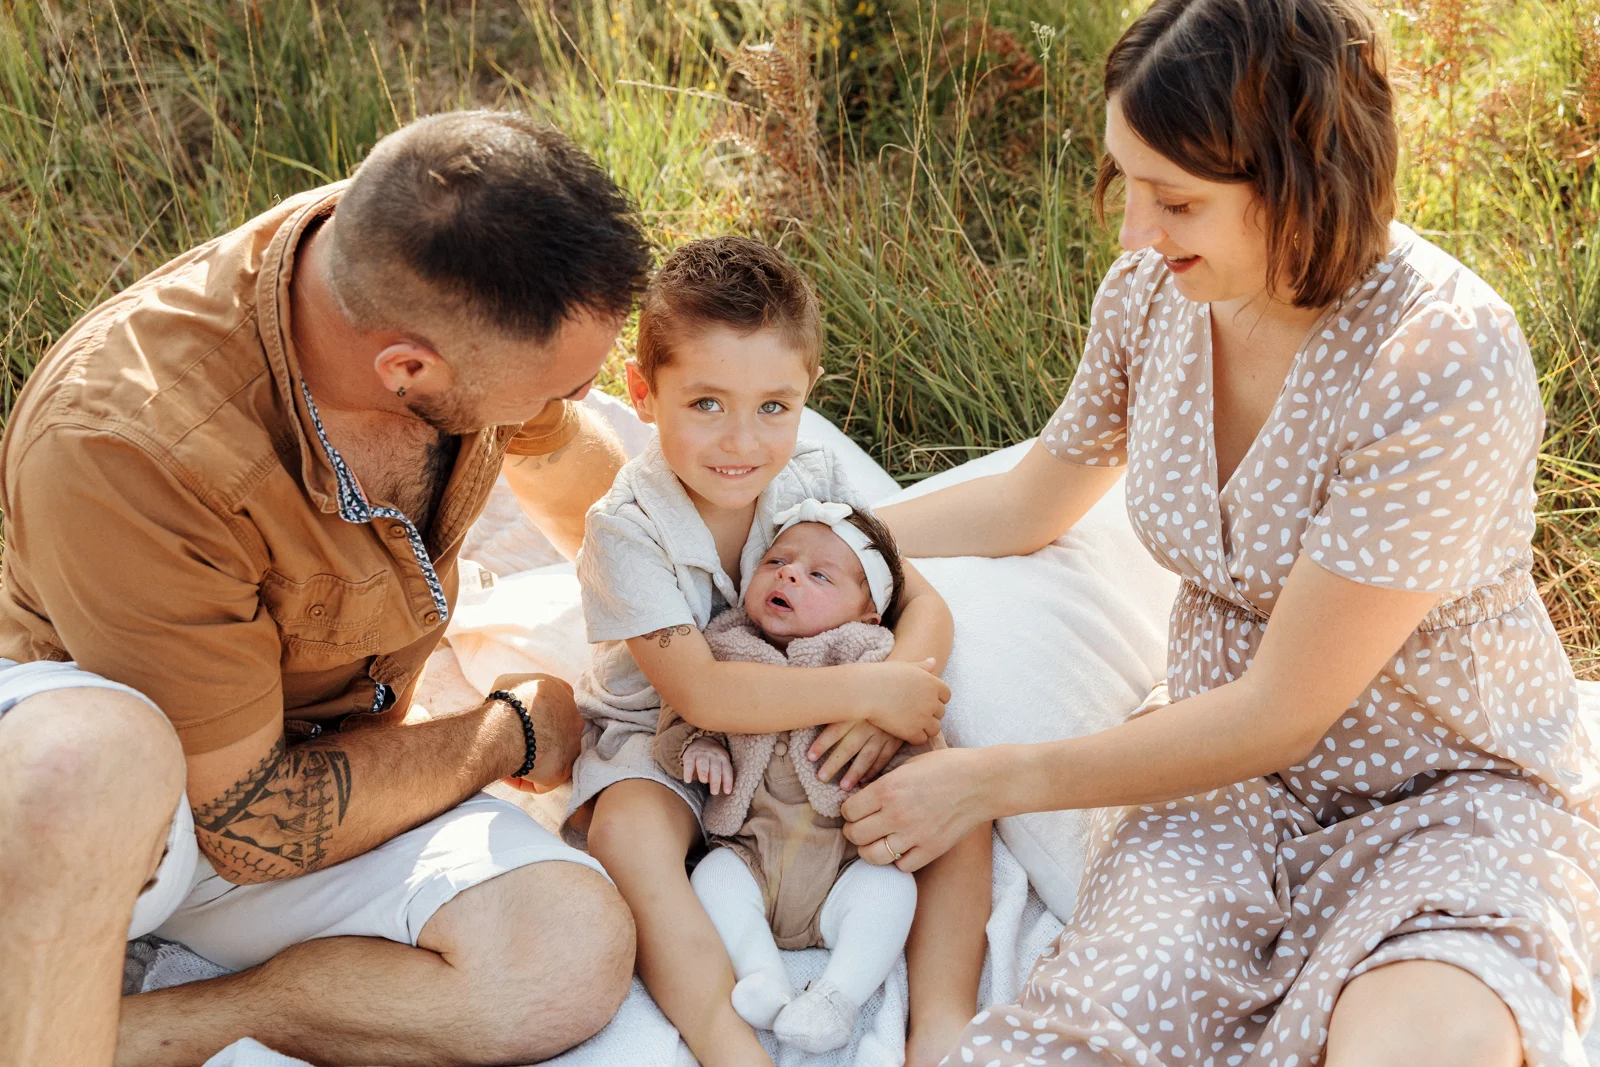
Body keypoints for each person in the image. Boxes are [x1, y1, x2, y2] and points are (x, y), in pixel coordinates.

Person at [840, 1, 1600, 1064]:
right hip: (1208, 785)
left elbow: (1283, 709)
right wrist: (841, 534)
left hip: (1446, 788)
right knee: (1076, 1036)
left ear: (1302, 175)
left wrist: (990, 777)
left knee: (1425, 1040)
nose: (1134, 232)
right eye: (1125, 183)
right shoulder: (1150, 297)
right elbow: (1029, 502)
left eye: (1175, 200)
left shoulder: (1440, 357)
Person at [0, 110, 653, 1067]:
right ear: (407, 369)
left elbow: (567, 472)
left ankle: (127, 1033)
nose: (561, 408)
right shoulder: (122, 443)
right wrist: (504, 730)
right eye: (550, 392)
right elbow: (248, 824)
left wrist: (688, 588)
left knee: (562, 948)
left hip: (314, 768)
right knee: (92, 760)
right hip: (128, 817)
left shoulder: (434, 274)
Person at [567, 235, 992, 1067]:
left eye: (774, 406)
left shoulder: (812, 481)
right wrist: (865, 697)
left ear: (807, 396)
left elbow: (923, 602)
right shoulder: (626, 528)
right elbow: (705, 696)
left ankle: (940, 1022)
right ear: (643, 395)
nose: (742, 442)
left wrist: (896, 689)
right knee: (627, 830)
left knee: (955, 788)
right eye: (706, 404)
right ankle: (727, 1039)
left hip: (816, 720)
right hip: (673, 741)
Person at [657, 500, 929, 1053]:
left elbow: (919, 739)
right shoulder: (725, 652)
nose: (788, 574)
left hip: (842, 867)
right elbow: (676, 721)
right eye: (776, 561)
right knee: (711, 880)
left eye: (819, 575)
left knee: (891, 890)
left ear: (866, 615)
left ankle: (836, 998)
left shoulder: (874, 670)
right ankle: (763, 975)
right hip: (750, 856)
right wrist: (701, 744)